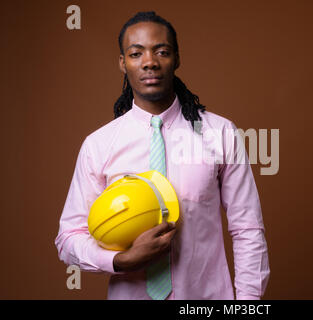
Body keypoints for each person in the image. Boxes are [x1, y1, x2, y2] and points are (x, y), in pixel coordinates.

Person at [55, 11, 269, 300]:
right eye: (136, 53)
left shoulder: (220, 133)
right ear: (123, 63)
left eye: (162, 51)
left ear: (176, 59)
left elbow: (248, 229)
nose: (149, 62)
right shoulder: (99, 145)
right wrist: (120, 261)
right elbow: (69, 238)